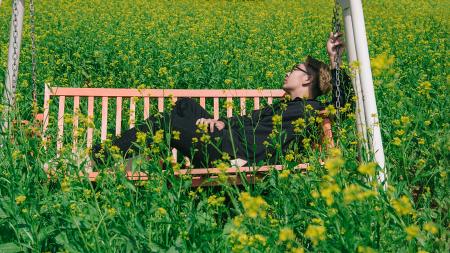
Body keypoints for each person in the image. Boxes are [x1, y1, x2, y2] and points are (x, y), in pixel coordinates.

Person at [92, 32, 351, 168]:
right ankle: (136, 159)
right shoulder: (283, 105)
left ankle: (98, 159)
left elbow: (345, 105)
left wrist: (334, 61)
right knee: (186, 104)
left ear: (307, 80)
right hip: (228, 141)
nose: (288, 71)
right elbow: (246, 120)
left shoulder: (311, 110)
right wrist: (219, 123)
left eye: (295, 69)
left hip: (236, 155)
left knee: (165, 122)